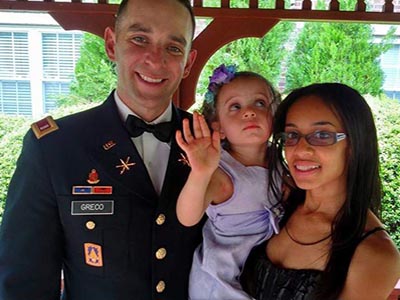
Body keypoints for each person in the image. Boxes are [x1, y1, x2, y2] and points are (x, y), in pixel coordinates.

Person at [0, 0, 205, 299]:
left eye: (174, 48)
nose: (155, 59)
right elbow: (23, 280)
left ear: (188, 62)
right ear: (111, 44)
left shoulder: (215, 143)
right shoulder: (55, 149)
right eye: (139, 39)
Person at [240, 83, 400, 300]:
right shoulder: (276, 203)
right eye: (291, 135)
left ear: (354, 145)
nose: (300, 149)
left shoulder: (374, 253)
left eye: (322, 135)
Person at [175, 64, 284, 300]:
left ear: (274, 117)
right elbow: (187, 217)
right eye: (235, 107)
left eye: (260, 103)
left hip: (264, 274)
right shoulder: (221, 171)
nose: (249, 112)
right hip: (222, 282)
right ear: (218, 127)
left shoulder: (281, 162)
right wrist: (200, 174)